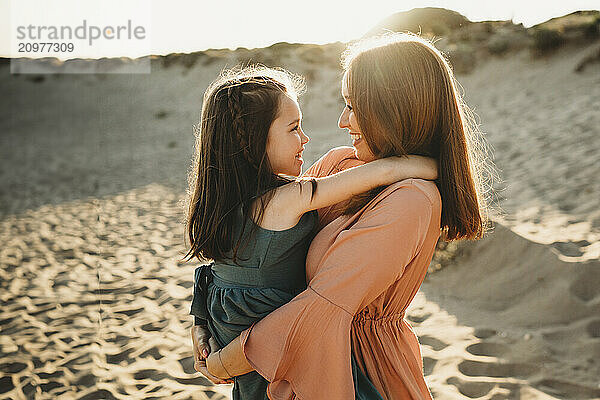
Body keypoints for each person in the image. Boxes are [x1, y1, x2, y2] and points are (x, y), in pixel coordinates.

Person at [184, 65, 439, 399]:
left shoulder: (220, 206)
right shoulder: (286, 200)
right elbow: (382, 171)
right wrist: (434, 167)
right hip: (277, 354)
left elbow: (213, 274)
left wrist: (199, 324)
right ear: (252, 142)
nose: (305, 139)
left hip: (235, 343)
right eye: (294, 128)